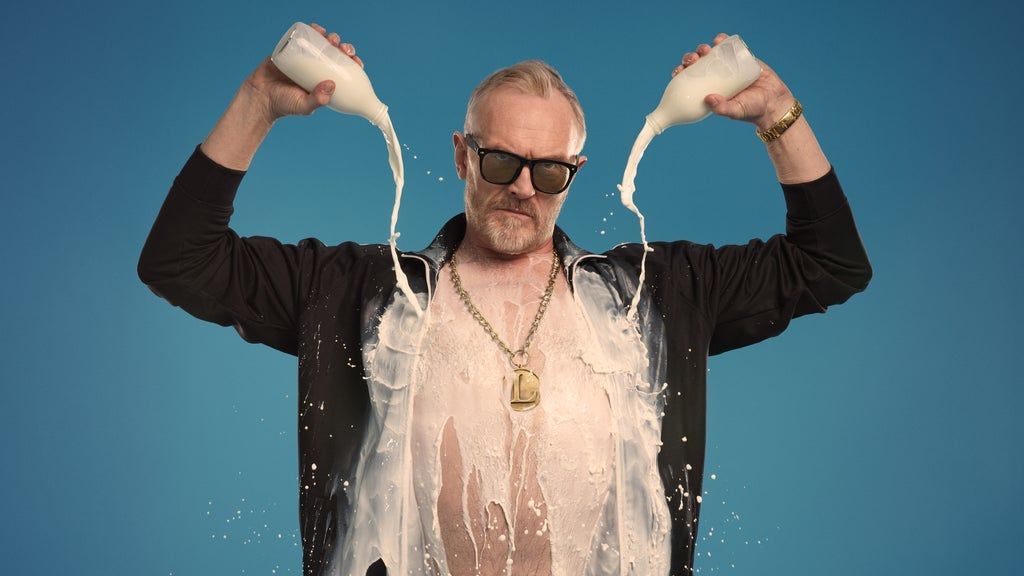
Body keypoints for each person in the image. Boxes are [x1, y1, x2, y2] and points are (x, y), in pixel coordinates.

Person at [138, 23, 871, 576]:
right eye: (500, 162)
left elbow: (829, 264)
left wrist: (778, 112)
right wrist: (259, 101)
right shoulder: (356, 294)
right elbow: (180, 261)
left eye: (548, 171)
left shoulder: (655, 297)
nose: (523, 188)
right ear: (462, 154)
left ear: (574, 173)